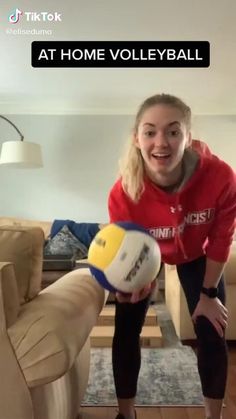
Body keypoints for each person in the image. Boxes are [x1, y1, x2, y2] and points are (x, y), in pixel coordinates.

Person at [108, 93, 236, 419]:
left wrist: (208, 293)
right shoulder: (124, 192)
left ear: (188, 137)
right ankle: (127, 413)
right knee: (126, 325)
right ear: (137, 138)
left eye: (173, 131)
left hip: (196, 254)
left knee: (211, 326)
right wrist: (132, 283)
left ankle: (213, 416)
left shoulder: (220, 177)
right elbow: (126, 246)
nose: (161, 142)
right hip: (145, 253)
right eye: (150, 131)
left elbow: (222, 238)